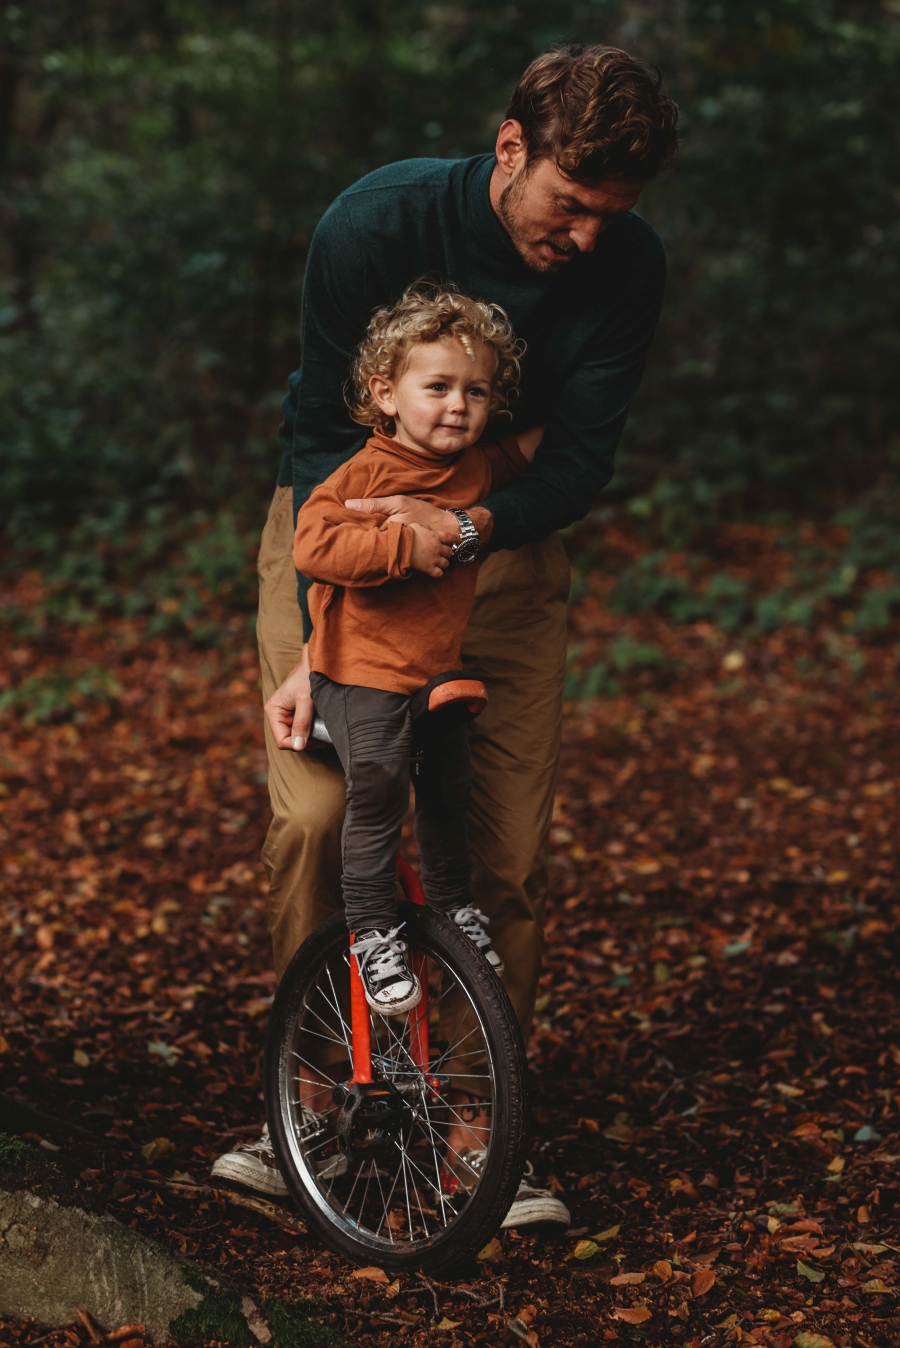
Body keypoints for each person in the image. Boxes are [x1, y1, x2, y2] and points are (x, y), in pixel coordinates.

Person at [212, 42, 678, 1226]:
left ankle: (481, 1128)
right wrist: (328, 638)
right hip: (339, 539)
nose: (584, 237)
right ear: (510, 149)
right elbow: (321, 444)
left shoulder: (627, 267)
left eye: (609, 216)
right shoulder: (375, 223)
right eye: (569, 205)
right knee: (321, 816)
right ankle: (307, 1104)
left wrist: (465, 531)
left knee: (495, 855)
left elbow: (575, 459)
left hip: (499, 558)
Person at [295, 284, 541, 1012]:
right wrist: (406, 542)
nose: (459, 406)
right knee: (376, 792)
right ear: (386, 393)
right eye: (437, 387)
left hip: (433, 675)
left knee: (446, 792)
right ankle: (373, 934)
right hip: (360, 672)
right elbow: (314, 545)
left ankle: (453, 910)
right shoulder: (365, 472)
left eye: (478, 391)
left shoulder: (473, 467)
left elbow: (536, 447)